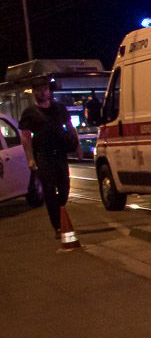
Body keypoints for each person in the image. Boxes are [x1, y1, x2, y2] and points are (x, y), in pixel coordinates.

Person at [19, 79, 78, 237]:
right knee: (49, 190)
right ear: (34, 92)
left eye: (45, 89)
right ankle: (58, 226)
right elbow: (25, 137)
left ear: (49, 91)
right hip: (43, 156)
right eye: (38, 90)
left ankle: (59, 209)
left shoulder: (59, 109)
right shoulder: (29, 113)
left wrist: (77, 146)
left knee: (64, 188)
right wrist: (30, 158)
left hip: (60, 154)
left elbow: (70, 127)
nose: (43, 92)